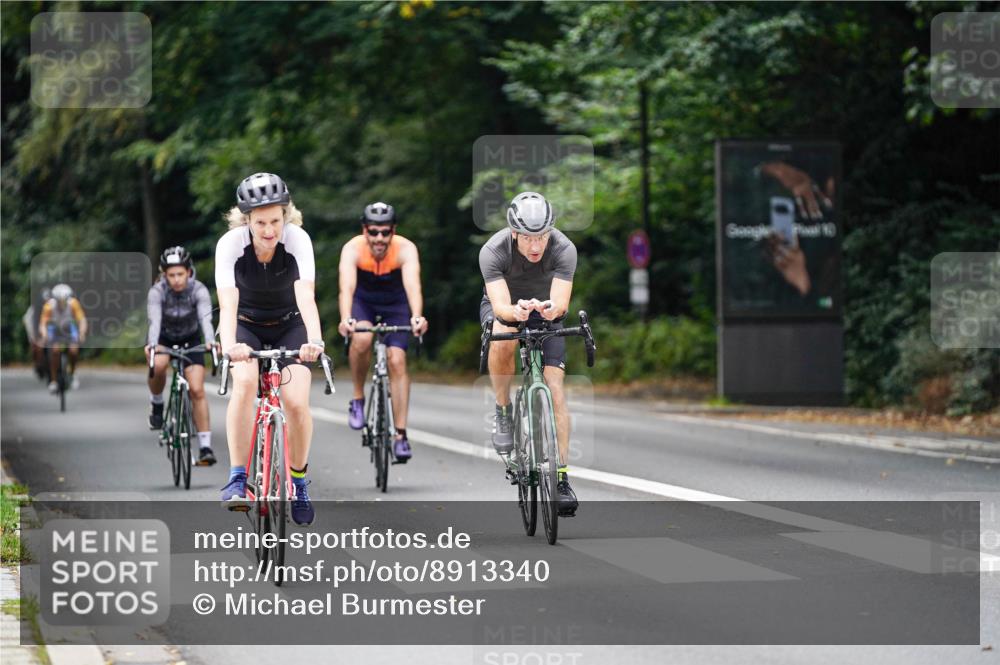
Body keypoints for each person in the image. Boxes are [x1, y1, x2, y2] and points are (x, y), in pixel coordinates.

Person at [215, 172, 325, 526]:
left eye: (275, 220)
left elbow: (306, 297)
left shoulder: (298, 240)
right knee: (245, 384)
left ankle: (299, 482)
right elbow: (228, 304)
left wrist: (315, 341)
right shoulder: (231, 245)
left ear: (286, 214)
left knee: (295, 401)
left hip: (290, 325)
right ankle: (236, 478)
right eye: (260, 222)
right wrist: (230, 346)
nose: (268, 230)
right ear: (246, 220)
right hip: (246, 324)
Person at [479, 192, 579, 516]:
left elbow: (561, 303)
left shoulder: (564, 249)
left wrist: (550, 310)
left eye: (542, 236)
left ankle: (561, 478)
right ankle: (503, 410)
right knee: (504, 335)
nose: (536, 246)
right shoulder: (493, 251)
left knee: (556, 389)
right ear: (513, 233)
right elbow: (500, 307)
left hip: (546, 310)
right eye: (527, 237)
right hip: (507, 307)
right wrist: (515, 311)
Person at [337, 202, 428, 462]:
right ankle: (357, 398)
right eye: (374, 232)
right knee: (362, 338)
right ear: (364, 230)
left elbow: (413, 286)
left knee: (397, 359)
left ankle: (400, 435)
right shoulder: (352, 249)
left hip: (395, 303)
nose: (379, 238)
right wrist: (346, 318)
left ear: (393, 231)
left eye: (385, 232)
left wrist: (417, 316)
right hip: (363, 301)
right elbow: (347, 288)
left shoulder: (406, 249)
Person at [145, 246, 218, 466]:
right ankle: (157, 403)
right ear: (164, 275)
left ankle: (205, 446)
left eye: (180, 274)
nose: (176, 280)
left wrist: (210, 341)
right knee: (158, 365)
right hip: (165, 338)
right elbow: (154, 321)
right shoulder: (157, 292)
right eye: (171, 275)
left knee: (197, 389)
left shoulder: (199, 290)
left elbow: (206, 320)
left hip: (191, 339)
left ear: (189, 271)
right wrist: (153, 344)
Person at [38, 283, 88, 392]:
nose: (62, 303)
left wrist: (82, 333)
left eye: (64, 300)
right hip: (54, 329)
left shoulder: (74, 304)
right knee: (54, 351)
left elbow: (82, 320)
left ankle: (73, 373)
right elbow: (43, 324)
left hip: (69, 328)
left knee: (73, 351)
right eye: (59, 301)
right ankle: (54, 381)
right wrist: (44, 334)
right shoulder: (49, 306)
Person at [22, 287, 51, 380]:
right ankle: (37, 364)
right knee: (36, 346)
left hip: (47, 328)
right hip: (33, 327)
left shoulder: (53, 307)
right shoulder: (34, 309)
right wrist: (34, 337)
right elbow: (30, 322)